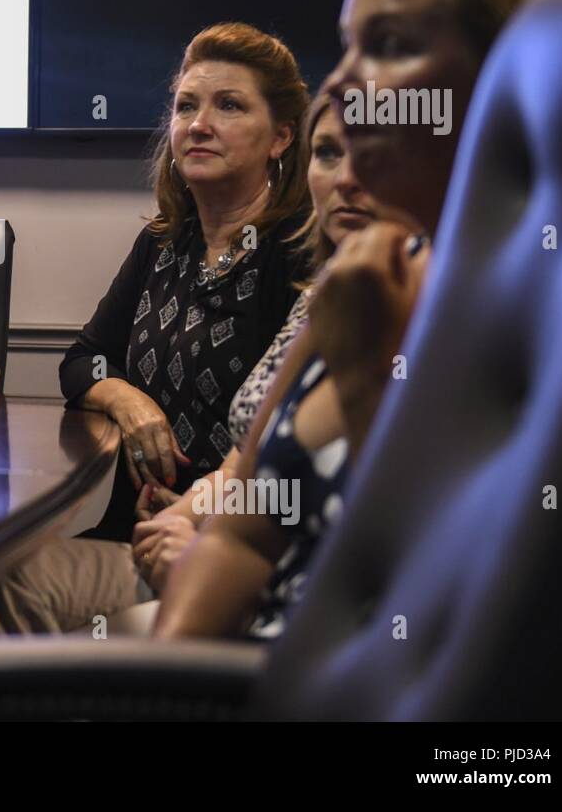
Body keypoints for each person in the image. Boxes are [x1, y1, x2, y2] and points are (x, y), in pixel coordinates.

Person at [154, 0, 562, 640]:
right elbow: (238, 538)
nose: (344, 81)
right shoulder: (359, 279)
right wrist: (158, 683)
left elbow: (464, 610)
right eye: (349, 46)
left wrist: (359, 381)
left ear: (509, 72)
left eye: (387, 46)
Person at [0, 22, 311, 636]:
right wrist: (128, 398)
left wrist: (199, 511)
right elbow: (82, 361)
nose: (198, 124)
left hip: (216, 549)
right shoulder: (164, 243)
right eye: (185, 106)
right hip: (128, 535)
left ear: (280, 137)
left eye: (229, 106)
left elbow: (289, 446)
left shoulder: (295, 256)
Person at [128, 92, 414, 591]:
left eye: (376, 156)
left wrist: (200, 547)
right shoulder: (322, 295)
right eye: (327, 154)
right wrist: (189, 517)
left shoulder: (422, 311)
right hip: (200, 540)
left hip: (285, 609)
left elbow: (342, 533)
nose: (347, 178)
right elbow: (252, 460)